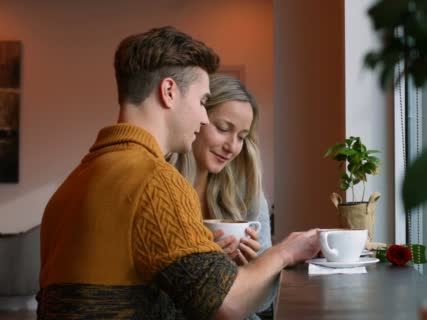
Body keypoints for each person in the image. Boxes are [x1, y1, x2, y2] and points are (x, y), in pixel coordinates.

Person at [37, 26, 320, 320]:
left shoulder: (69, 187)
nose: (202, 116)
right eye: (200, 102)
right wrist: (286, 251)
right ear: (169, 92)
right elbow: (230, 305)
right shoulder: (157, 181)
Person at [167, 74, 275, 319]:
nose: (232, 147)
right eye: (223, 129)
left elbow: (263, 303)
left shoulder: (247, 195)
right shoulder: (161, 190)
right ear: (196, 118)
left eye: (241, 137)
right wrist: (200, 270)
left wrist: (248, 270)